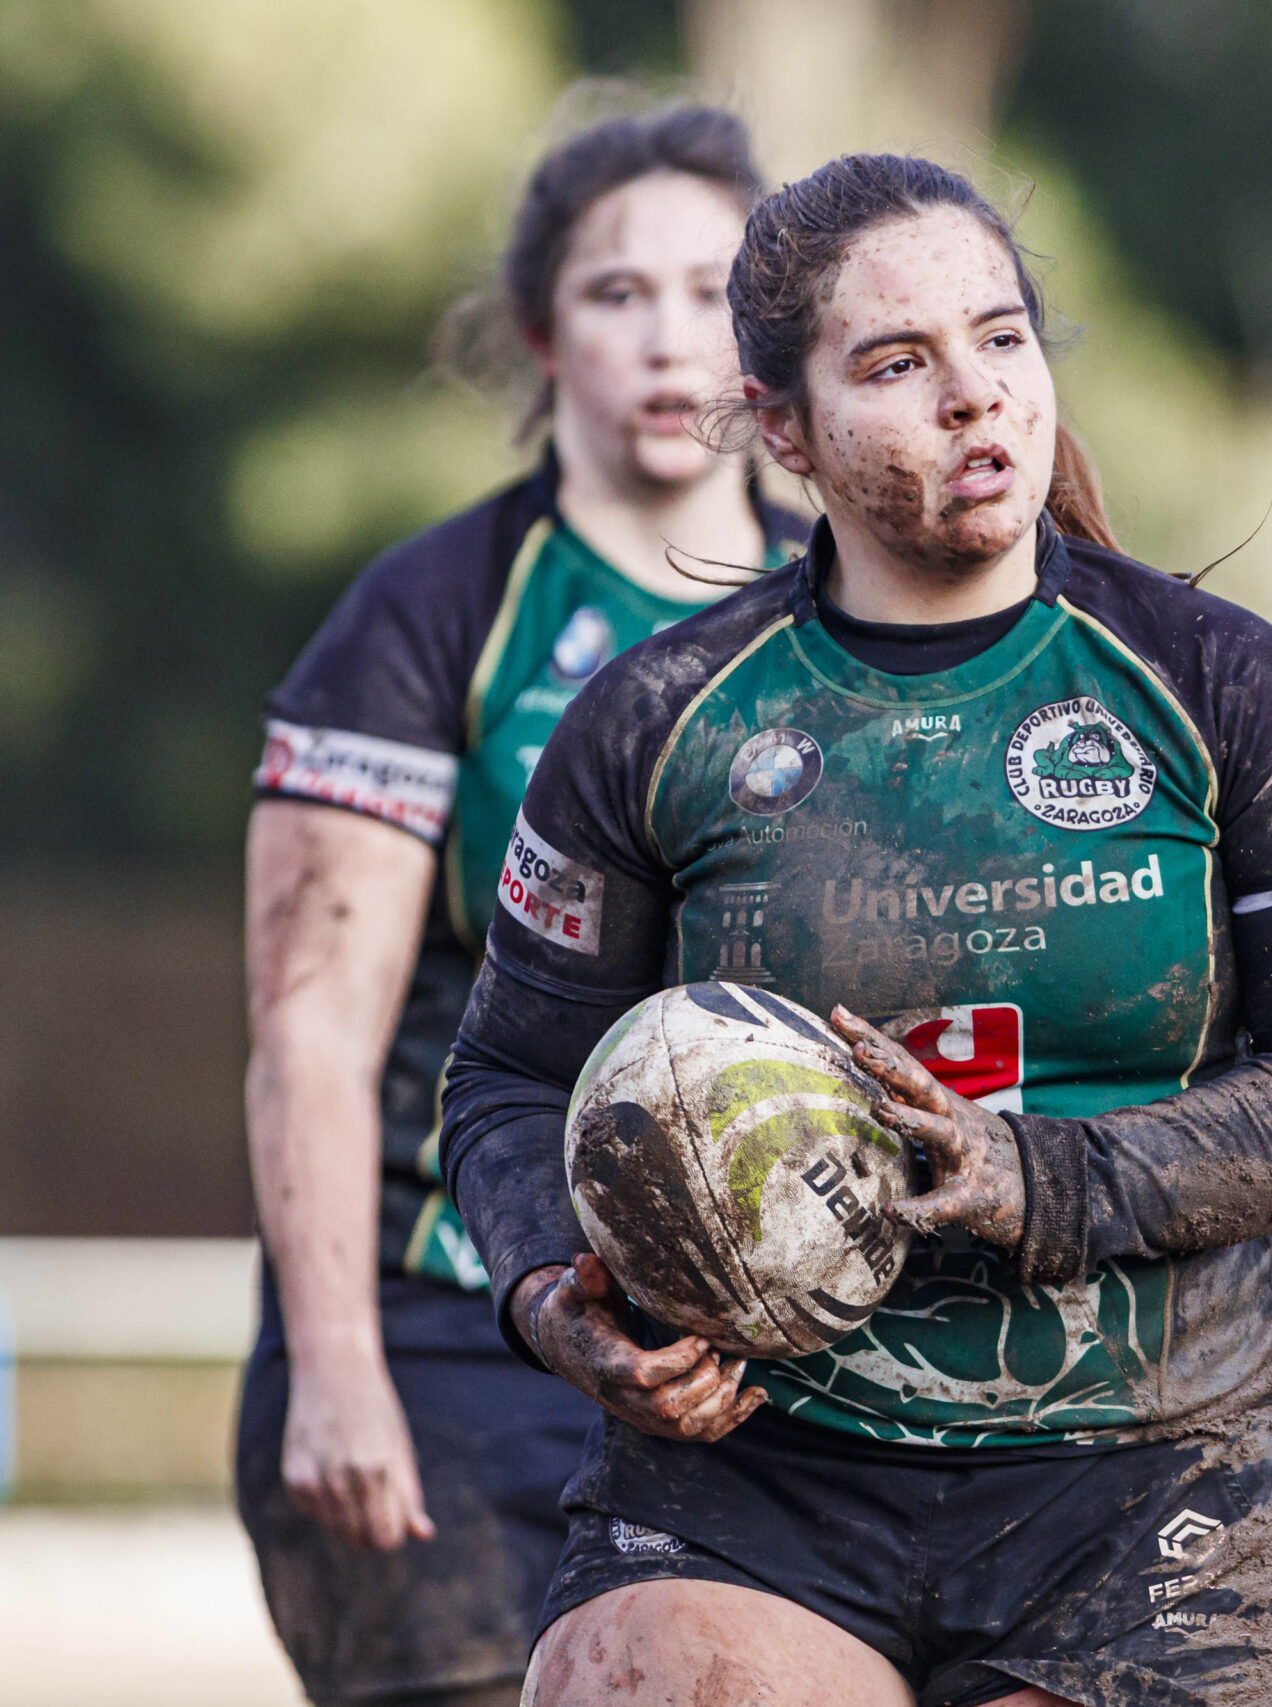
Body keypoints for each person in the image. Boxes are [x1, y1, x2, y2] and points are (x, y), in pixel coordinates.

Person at [435, 151, 1272, 1707]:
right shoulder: (657, 720)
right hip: (758, 1470)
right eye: (897, 364)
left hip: (1145, 1485)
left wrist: (1042, 1178)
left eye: (1001, 338)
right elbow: (508, 1079)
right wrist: (548, 1301)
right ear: (782, 428)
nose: (975, 394)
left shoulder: (1230, 690)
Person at [238, 103, 808, 1707]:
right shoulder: (434, 612)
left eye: (712, 293)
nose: (671, 338)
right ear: (544, 336)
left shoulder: (847, 606)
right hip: (449, 1339)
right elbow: (309, 1033)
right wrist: (336, 1373)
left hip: (751, 1370)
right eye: (619, 293)